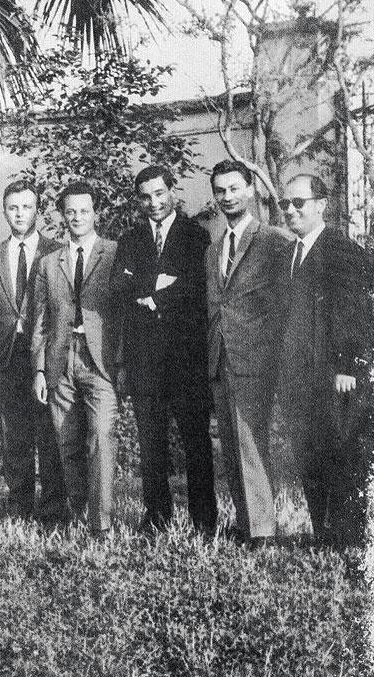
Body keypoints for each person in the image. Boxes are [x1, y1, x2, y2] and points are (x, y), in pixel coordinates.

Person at [110, 166, 218, 536]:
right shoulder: (131, 238)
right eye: (145, 196)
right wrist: (159, 282)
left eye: (159, 193)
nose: (153, 203)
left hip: (186, 357)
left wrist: (152, 295)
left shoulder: (195, 236)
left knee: (195, 440)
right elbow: (118, 286)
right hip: (145, 359)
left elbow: (196, 288)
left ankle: (204, 521)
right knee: (150, 442)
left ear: (172, 191)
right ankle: (156, 518)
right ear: (138, 198)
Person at [276, 173, 373, 547]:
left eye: (298, 203)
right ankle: (323, 535)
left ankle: (349, 543)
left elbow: (358, 313)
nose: (290, 211)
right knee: (309, 459)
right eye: (286, 204)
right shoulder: (289, 253)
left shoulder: (343, 251)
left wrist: (349, 365)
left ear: (321, 205)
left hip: (336, 377)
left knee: (342, 459)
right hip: (298, 379)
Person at [205, 160, 289, 549]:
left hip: (257, 360)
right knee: (232, 449)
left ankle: (262, 532)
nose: (227, 197)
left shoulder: (275, 241)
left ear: (251, 189)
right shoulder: (214, 248)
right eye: (220, 191)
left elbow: (286, 304)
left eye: (234, 188)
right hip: (221, 360)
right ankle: (246, 522)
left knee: (251, 445)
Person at [31, 182, 119, 535]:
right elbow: (39, 320)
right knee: (66, 443)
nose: (77, 217)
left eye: (84, 210)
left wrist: (122, 361)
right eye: (70, 212)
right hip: (59, 360)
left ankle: (101, 525)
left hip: (100, 361)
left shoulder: (114, 253)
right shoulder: (49, 263)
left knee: (101, 437)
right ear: (62, 216)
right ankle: (80, 514)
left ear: (95, 213)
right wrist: (38, 369)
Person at [0, 179, 66, 524]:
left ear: (37, 210)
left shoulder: (56, 251)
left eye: (26, 206)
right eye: (13, 207)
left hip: (46, 354)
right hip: (8, 355)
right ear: (4, 210)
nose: (19, 213)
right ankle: (19, 507)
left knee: (49, 434)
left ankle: (54, 509)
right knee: (13, 435)